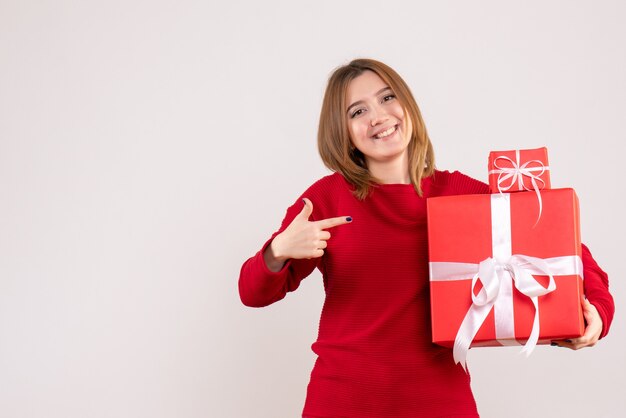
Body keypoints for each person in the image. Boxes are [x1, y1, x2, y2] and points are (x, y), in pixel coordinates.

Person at [238, 59, 614, 418]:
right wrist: (277, 251)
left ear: (407, 105)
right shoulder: (325, 199)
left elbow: (564, 247)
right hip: (341, 401)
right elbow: (252, 292)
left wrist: (596, 309)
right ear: (343, 131)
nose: (379, 116)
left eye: (387, 98)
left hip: (439, 403)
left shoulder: (458, 194)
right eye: (358, 111)